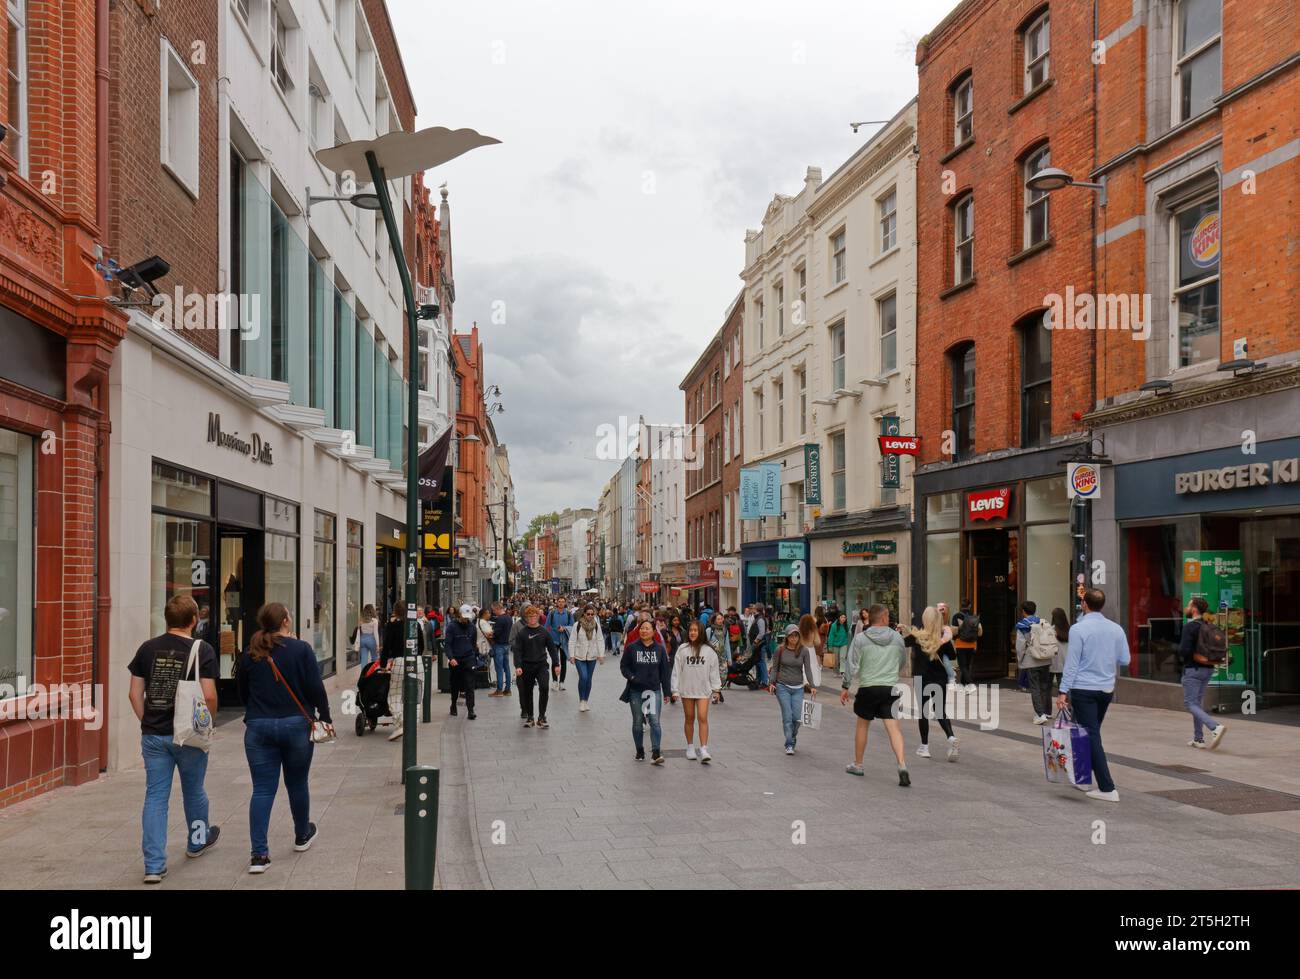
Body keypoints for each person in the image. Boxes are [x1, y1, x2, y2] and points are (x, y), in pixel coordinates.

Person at [128, 594, 221, 884]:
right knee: (194, 790)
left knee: (155, 797)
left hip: (154, 735)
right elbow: (208, 695)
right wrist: (209, 724)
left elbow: (134, 694)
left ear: (167, 619)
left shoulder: (147, 649)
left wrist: (148, 722)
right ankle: (196, 841)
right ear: (194, 620)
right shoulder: (201, 649)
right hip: (189, 736)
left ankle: (154, 865)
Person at [238, 602, 333, 874]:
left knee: (262, 790)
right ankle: (302, 834)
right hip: (295, 725)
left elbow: (242, 692)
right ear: (286, 621)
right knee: (297, 782)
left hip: (258, 727)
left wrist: (256, 711)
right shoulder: (301, 650)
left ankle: (259, 855)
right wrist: (324, 716)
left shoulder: (251, 653)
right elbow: (315, 687)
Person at [1057, 588, 1130, 803]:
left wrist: (1063, 691)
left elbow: (1072, 664)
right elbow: (1125, 659)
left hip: (1083, 689)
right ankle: (1082, 777)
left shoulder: (1079, 629)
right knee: (1086, 733)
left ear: (1084, 605)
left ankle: (1107, 787)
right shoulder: (1116, 629)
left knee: (1090, 736)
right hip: (1106, 689)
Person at [842, 604, 909, 786]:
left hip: (868, 687)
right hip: (890, 687)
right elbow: (903, 661)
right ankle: (902, 764)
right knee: (893, 728)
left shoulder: (861, 639)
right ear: (884, 618)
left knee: (863, 725)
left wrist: (846, 686)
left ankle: (858, 764)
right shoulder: (897, 638)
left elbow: (851, 663)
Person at [904, 607, 959, 761]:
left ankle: (925, 747)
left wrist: (901, 630)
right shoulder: (943, 638)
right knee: (940, 711)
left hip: (922, 678)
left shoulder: (917, 637)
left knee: (923, 712)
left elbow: (902, 642)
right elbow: (953, 655)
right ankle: (951, 737)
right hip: (940, 678)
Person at [1178, 597, 1228, 750]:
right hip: (1208, 668)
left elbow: (1184, 651)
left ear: (1193, 609)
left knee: (1190, 703)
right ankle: (1198, 739)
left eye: (1188, 605)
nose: (1186, 607)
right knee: (1197, 704)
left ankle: (1215, 727)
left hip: (1193, 669)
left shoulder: (1190, 627)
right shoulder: (1207, 625)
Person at [621, 619, 672, 764]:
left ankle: (656, 752)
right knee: (638, 722)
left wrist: (667, 692)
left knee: (655, 721)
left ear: (654, 631)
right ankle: (639, 750)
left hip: (654, 690)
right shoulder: (632, 648)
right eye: (642, 628)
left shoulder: (660, 649)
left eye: (647, 628)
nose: (644, 631)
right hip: (635, 691)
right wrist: (632, 677)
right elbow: (624, 666)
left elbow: (664, 672)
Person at [671, 620, 721, 763]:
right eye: (691, 630)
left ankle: (704, 748)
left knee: (702, 717)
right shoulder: (682, 649)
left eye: (696, 630)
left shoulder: (709, 651)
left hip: (703, 691)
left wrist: (716, 689)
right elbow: (676, 671)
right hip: (686, 690)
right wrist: (675, 690)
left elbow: (714, 671)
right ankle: (690, 747)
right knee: (689, 718)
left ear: (701, 633)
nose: (693, 633)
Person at [768, 624, 818, 755]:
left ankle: (793, 735)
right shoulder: (780, 650)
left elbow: (807, 669)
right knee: (787, 716)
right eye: (791, 635)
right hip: (782, 686)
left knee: (796, 717)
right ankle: (789, 743)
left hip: (798, 687)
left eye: (796, 635)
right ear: (787, 636)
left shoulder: (804, 651)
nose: (794, 638)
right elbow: (775, 667)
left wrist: (812, 685)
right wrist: (772, 683)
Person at [512, 605, 561, 727]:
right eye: (529, 617)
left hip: (541, 665)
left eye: (534, 616)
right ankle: (530, 717)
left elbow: (552, 649)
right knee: (527, 692)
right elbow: (517, 651)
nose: (532, 619)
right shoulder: (522, 633)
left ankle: (542, 717)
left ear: (538, 617)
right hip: (526, 666)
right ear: (526, 618)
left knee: (544, 688)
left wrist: (556, 664)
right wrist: (518, 666)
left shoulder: (544, 632)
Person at [1015, 600, 1057, 724]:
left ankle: (1040, 714)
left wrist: (1020, 659)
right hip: (1045, 659)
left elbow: (1020, 646)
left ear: (1023, 611)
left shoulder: (1022, 626)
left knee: (1035, 688)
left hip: (1031, 660)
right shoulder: (1043, 622)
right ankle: (1044, 711)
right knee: (1044, 687)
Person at [570, 604, 606, 712]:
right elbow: (572, 641)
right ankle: (581, 701)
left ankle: (586, 700)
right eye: (588, 614)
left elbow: (600, 640)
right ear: (584, 614)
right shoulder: (577, 625)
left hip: (592, 656)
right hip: (579, 655)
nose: (590, 616)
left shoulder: (596, 626)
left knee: (589, 679)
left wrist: (601, 654)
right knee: (584, 677)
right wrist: (572, 655)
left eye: (592, 614)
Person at [444, 604, 478, 721]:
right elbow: (447, 644)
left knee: (470, 685)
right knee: (455, 684)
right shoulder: (451, 627)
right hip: (456, 660)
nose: (466, 619)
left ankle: (471, 710)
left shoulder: (472, 627)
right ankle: (453, 704)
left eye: (467, 617)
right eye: (464, 617)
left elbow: (473, 644)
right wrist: (451, 658)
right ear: (459, 615)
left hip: (469, 658)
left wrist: (473, 655)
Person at [545, 598, 575, 690]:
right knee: (555, 661)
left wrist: (564, 628)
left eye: (562, 601)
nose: (561, 603)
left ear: (565, 603)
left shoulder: (569, 614)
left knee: (563, 662)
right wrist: (548, 637)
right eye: (559, 601)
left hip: (564, 641)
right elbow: (547, 626)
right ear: (557, 603)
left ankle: (562, 682)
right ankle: (554, 681)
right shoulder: (552, 613)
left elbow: (572, 627)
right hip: (554, 640)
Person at [951, 600, 981, 688]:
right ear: (970, 606)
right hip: (971, 644)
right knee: (967, 665)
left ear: (961, 605)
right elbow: (980, 632)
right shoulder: (974, 617)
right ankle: (963, 684)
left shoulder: (956, 616)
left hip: (960, 644)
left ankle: (970, 683)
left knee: (962, 666)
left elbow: (954, 632)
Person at [489, 602, 514, 698]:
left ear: (498, 608)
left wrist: (491, 634)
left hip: (499, 645)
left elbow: (496, 633)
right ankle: (507, 689)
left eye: (494, 610)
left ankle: (499, 690)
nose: (493, 612)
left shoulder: (500, 619)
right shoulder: (508, 618)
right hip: (506, 645)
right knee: (506, 668)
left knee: (499, 668)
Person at [1049, 606, 1070, 694]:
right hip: (1066, 662)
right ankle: (1066, 708)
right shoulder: (1070, 630)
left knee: (1047, 689)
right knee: (1064, 690)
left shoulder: (1051, 630)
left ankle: (1046, 708)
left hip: (1052, 662)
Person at [353, 604, 380, 668]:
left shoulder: (361, 620)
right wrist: (378, 645)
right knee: (374, 658)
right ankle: (373, 675)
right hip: (371, 639)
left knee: (364, 660)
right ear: (372, 611)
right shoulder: (374, 621)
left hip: (362, 639)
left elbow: (359, 631)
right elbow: (376, 633)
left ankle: (363, 676)